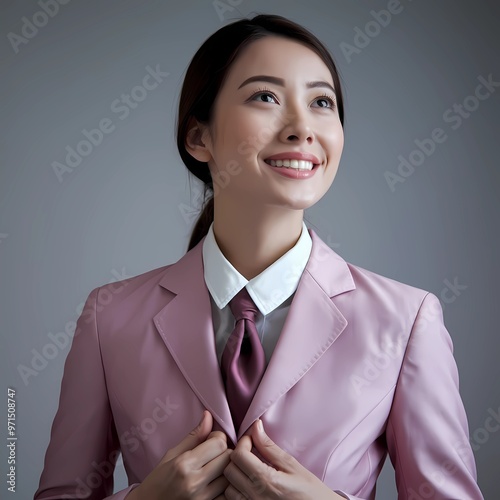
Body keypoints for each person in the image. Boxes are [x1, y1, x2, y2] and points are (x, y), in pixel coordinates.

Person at [34, 14, 483, 500]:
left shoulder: (406, 320)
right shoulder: (110, 317)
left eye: (321, 102)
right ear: (198, 137)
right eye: (265, 96)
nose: (302, 128)